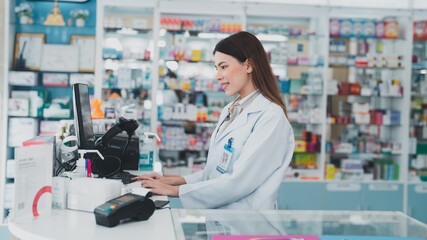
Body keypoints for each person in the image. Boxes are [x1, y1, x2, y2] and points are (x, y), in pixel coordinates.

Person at [132, 31, 295, 209]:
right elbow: (215, 172)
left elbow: (238, 181)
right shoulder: (231, 110)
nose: (218, 76)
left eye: (223, 67)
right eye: (216, 68)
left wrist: (174, 191)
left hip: (248, 226)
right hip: (222, 220)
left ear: (248, 65)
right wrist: (172, 181)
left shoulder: (271, 116)